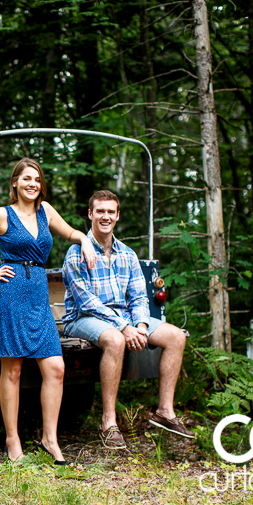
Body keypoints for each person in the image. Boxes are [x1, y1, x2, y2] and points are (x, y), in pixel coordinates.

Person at [0, 158, 97, 463]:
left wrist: (84, 239)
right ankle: (12, 439)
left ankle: (49, 439)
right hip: (9, 294)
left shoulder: (46, 212)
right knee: (14, 370)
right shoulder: (1, 215)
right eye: (27, 179)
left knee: (56, 368)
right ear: (15, 183)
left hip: (37, 296)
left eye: (38, 179)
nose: (33, 184)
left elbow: (71, 233)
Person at [61, 190, 194, 449]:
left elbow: (138, 297)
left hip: (124, 318)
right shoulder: (76, 253)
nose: (105, 216)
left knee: (176, 336)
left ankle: (164, 412)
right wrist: (124, 327)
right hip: (82, 317)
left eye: (111, 212)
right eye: (100, 211)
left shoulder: (128, 254)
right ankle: (108, 422)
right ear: (90, 214)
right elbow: (86, 301)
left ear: (117, 216)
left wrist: (141, 326)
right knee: (115, 340)